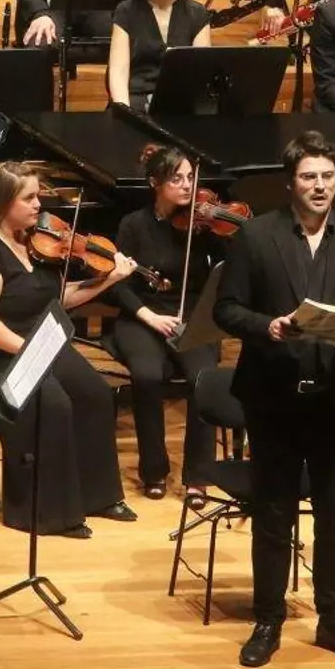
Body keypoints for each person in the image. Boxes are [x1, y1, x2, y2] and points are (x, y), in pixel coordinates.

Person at [215, 131, 335, 669]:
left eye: (328, 177)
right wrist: (266, 326)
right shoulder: (256, 235)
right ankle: (268, 620)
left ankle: (334, 620)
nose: (320, 186)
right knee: (273, 514)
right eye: (309, 176)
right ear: (290, 183)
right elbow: (227, 309)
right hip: (274, 397)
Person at [0, 161, 139, 537]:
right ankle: (45, 513)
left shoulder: (35, 243)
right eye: (29, 198)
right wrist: (29, 352)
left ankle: (96, 496)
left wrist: (109, 279)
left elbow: (56, 298)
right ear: (3, 202)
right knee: (52, 403)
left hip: (36, 341)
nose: (39, 205)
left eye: (38, 196)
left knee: (94, 393)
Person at [105, 146, 222, 500]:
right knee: (147, 376)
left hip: (192, 319)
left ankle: (198, 476)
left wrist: (224, 233)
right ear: (155, 183)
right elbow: (118, 285)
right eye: (177, 179)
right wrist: (149, 316)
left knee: (202, 379)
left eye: (191, 177)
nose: (187, 185)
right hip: (142, 316)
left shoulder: (203, 227)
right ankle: (153, 470)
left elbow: (229, 271)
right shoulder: (133, 225)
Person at [107, 0, 211, 112]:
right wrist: (126, 113)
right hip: (135, 101)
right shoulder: (126, 11)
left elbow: (200, 74)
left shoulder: (197, 13)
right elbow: (118, 72)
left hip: (179, 105)